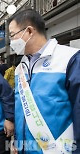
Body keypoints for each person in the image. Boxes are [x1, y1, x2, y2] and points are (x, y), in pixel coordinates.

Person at [9, 9, 80, 153]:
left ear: (29, 31)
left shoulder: (69, 59)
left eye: (12, 35)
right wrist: (17, 140)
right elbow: (20, 108)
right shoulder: (20, 67)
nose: (11, 41)